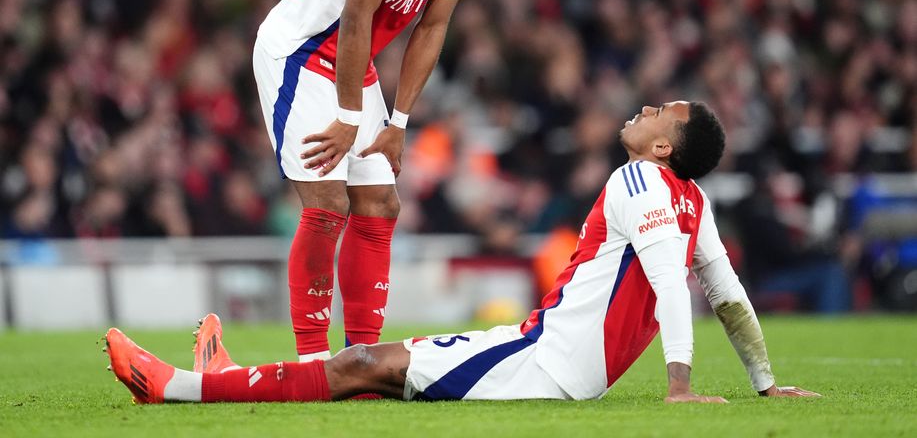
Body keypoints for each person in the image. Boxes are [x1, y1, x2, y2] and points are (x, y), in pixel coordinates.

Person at [105, 101, 819, 404]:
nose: (646, 107)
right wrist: (761, 383)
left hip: (544, 360)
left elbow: (672, 283)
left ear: (663, 146)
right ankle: (229, 379)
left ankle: (175, 388)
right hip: (549, 355)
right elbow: (725, 294)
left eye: (663, 112)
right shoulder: (695, 203)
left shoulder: (638, 177)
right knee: (373, 374)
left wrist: (678, 385)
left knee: (363, 364)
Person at [251, 0, 533, 360]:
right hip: (300, 50)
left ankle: (362, 360)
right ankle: (314, 361)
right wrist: (348, 117)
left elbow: (433, 26)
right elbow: (357, 16)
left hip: (354, 66)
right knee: (328, 203)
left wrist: (399, 121)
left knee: (381, 203)